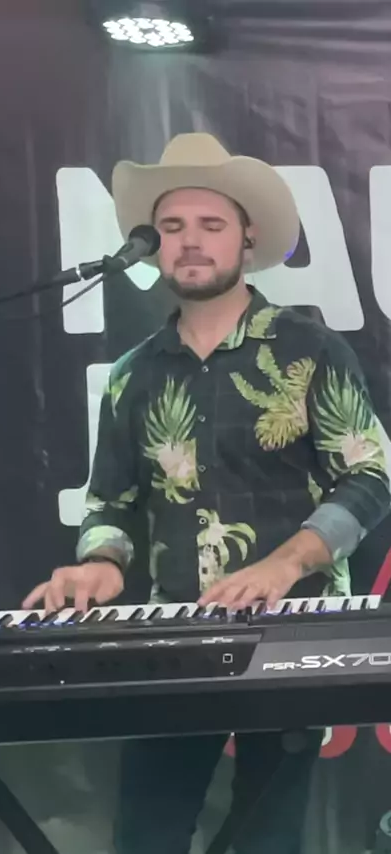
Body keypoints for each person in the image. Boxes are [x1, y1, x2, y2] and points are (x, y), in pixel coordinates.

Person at [23, 133, 390, 854]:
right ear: (153, 243)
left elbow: (370, 474)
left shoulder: (310, 350)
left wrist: (284, 565)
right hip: (176, 636)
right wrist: (101, 562)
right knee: (146, 834)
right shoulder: (133, 374)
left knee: (266, 837)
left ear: (246, 239)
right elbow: (110, 504)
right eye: (172, 226)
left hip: (294, 632)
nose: (190, 241)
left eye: (210, 224)